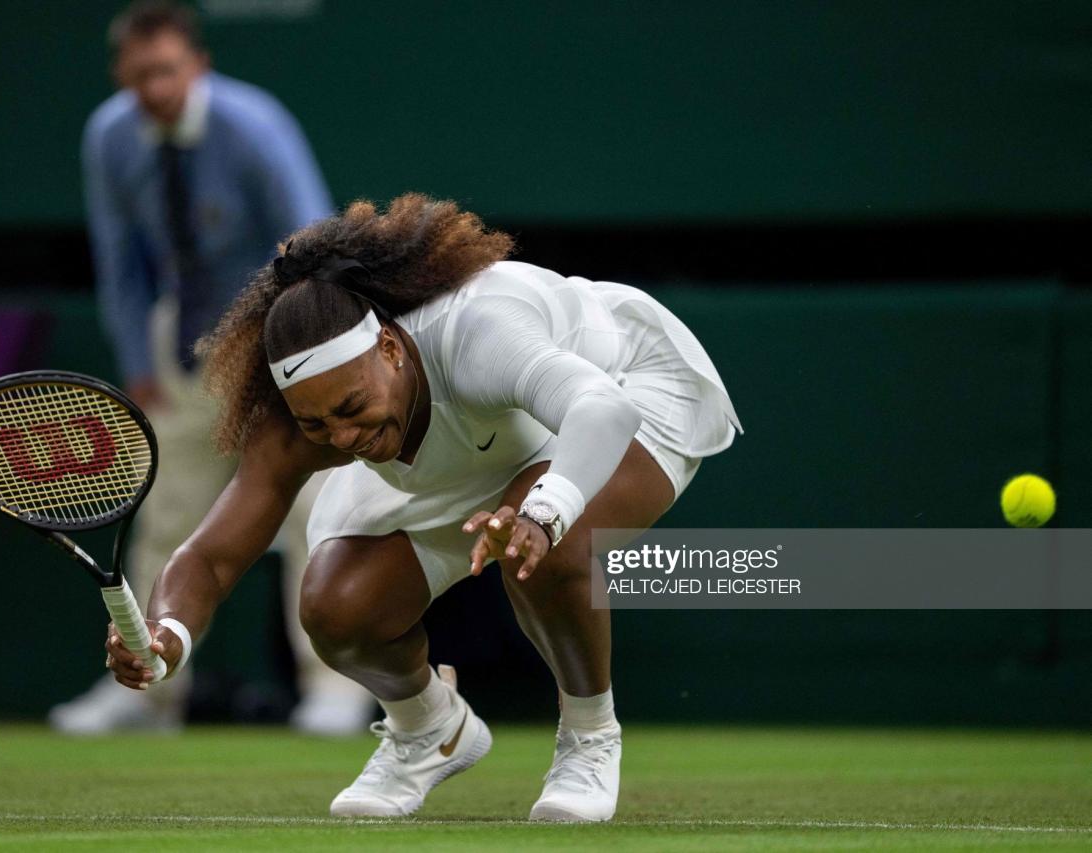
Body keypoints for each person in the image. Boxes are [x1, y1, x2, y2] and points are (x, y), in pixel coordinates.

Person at [103, 194, 742, 820]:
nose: (342, 437)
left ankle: (589, 738)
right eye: (319, 425)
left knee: (553, 546)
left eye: (351, 409)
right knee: (335, 607)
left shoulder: (480, 332)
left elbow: (600, 408)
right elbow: (212, 557)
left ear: (388, 348)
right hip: (463, 449)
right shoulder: (303, 418)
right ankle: (429, 730)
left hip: (626, 386)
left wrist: (542, 513)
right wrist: (168, 634)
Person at [53, 0, 374, 736]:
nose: (155, 89)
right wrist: (139, 358)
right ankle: (148, 687)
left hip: (277, 341)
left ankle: (335, 687)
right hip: (186, 346)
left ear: (197, 66)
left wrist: (297, 358)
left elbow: (312, 240)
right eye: (139, 76)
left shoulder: (254, 125)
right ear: (120, 77)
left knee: (311, 514)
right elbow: (119, 262)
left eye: (167, 71)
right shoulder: (108, 137)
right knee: (165, 515)